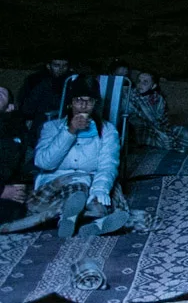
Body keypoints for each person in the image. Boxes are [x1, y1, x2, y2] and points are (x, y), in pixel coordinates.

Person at [0, 87, 126, 238]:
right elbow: (44, 163)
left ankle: (78, 220)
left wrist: (100, 189)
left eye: (89, 101)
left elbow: (108, 165)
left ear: (95, 104)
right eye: (78, 100)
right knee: (78, 189)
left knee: (99, 198)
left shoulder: (107, 130)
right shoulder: (52, 127)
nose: (83, 105)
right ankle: (89, 220)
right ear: (70, 104)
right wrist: (70, 132)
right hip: (59, 182)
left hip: (95, 179)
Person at [123, 70, 188, 152]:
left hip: (154, 125)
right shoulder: (131, 94)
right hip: (136, 124)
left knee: (175, 134)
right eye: (139, 81)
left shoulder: (157, 99)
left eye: (145, 82)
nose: (140, 84)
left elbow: (157, 118)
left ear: (153, 86)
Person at [0, 88, 31, 226]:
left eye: (1, 93)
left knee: (16, 211)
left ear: (9, 107)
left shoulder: (14, 133)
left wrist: (16, 190)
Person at [16, 58, 79, 126]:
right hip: (41, 121)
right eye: (56, 65)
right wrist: (28, 117)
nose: (61, 69)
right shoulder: (36, 81)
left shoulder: (73, 81)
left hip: (66, 121)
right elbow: (26, 105)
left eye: (64, 66)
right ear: (48, 66)